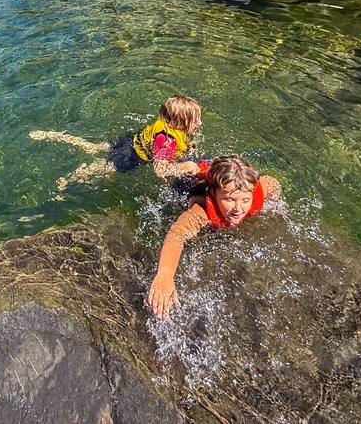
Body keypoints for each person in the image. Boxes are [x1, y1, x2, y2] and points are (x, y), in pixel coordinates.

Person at [147, 155, 281, 319]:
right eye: (229, 200)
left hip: (218, 172)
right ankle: (179, 165)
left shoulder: (254, 190)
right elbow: (177, 234)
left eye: (245, 200)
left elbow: (273, 184)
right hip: (188, 183)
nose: (238, 208)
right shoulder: (201, 209)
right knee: (180, 172)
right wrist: (165, 275)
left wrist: (276, 207)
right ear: (214, 194)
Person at [29, 95, 209, 190]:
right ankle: (66, 181)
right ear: (178, 123)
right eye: (195, 121)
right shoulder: (168, 141)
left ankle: (56, 136)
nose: (199, 123)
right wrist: (185, 167)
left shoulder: (167, 125)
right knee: (102, 168)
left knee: (95, 148)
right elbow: (160, 169)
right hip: (130, 156)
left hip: (132, 140)